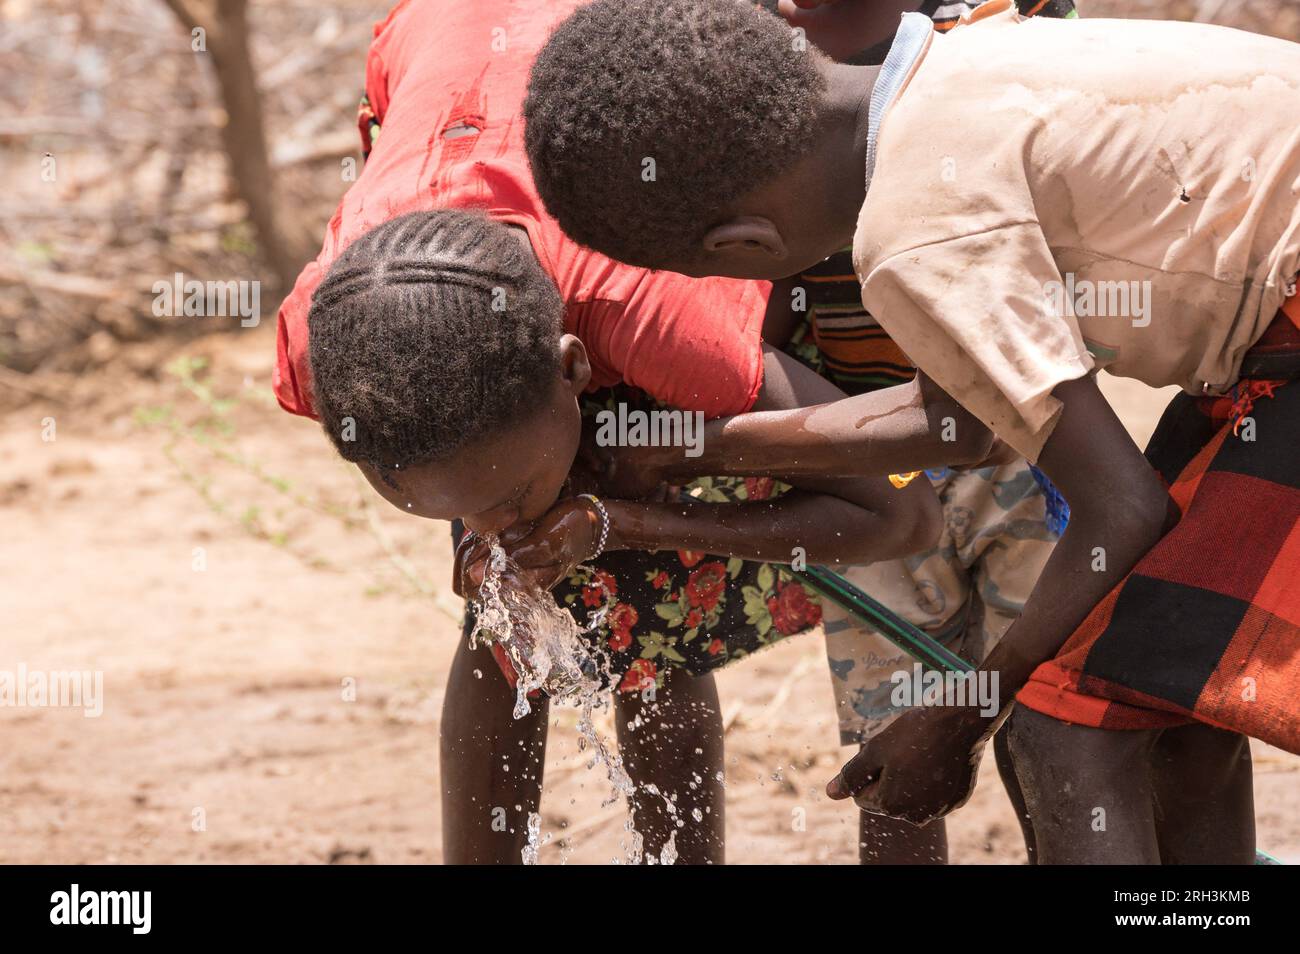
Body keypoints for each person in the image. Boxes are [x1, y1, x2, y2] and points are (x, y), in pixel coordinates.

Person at [522, 0, 1300, 862]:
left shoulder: (915, 235)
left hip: (1285, 341)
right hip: (1270, 339)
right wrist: (694, 447)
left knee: (1062, 730)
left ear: (741, 244)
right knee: (1158, 702)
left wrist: (964, 710)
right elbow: (962, 424)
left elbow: (1123, 510)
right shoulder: (944, 71)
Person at [276, 0, 958, 864]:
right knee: (504, 603)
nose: (494, 528)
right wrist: (518, 516)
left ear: (577, 366)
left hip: (634, 63)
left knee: (645, 597)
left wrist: (628, 517)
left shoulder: (661, 311)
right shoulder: (325, 346)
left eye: (507, 497)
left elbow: (904, 514)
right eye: (455, 508)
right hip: (448, 42)